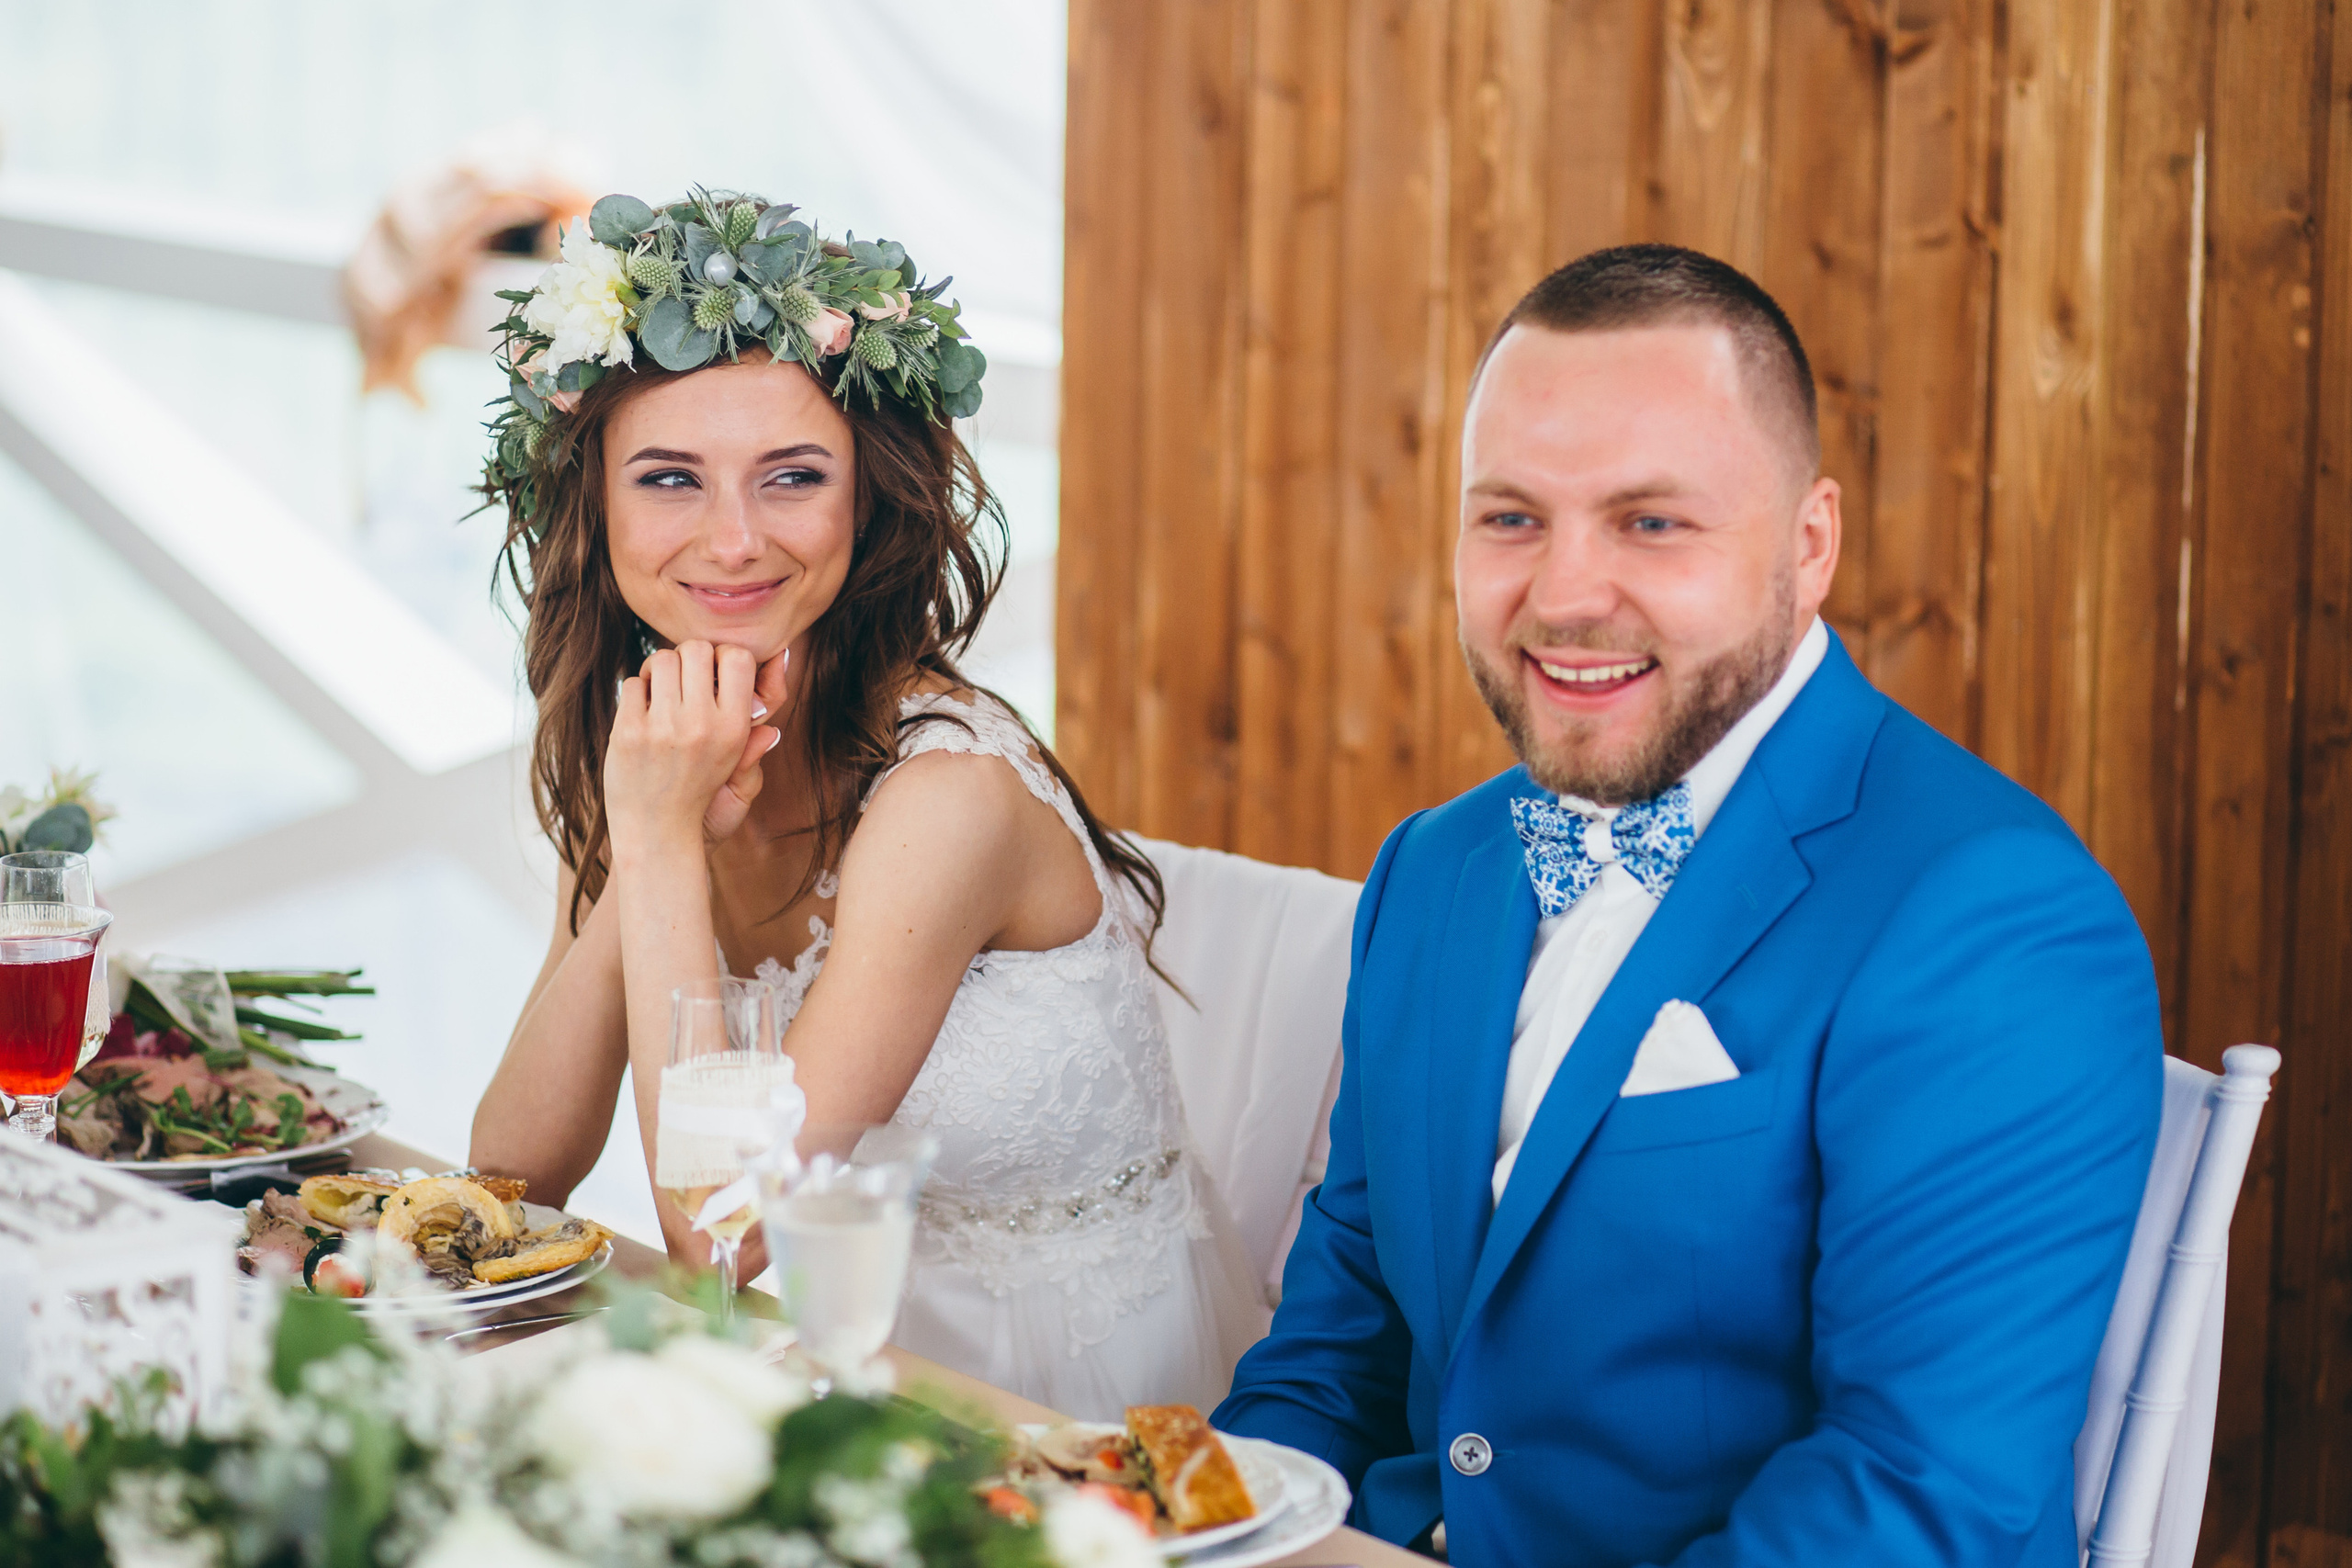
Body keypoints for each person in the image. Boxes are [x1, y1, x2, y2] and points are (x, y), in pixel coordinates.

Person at [1214, 244, 2164, 1565]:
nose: (1562, 595)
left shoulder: (1995, 918)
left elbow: (1918, 1497)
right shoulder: (1435, 865)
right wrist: (1198, 1530)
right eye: (1510, 518)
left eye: (1651, 522)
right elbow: (1336, 1344)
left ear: (1809, 542)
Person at [469, 189, 1263, 1418]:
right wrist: (648, 841)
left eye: (791, 477)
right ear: (597, 510)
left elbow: (722, 1242)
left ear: (869, 501)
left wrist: (667, 837)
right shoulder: (676, 741)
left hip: (1059, 1405)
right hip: (832, 1368)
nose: (732, 541)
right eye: (671, 479)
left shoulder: (947, 799)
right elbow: (511, 1168)